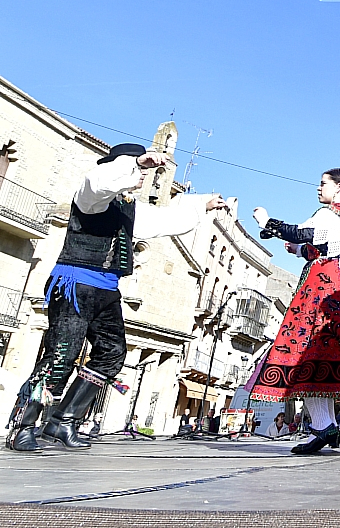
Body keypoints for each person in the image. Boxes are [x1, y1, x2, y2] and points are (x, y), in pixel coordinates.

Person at [5, 144, 224, 453]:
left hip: (107, 289)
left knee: (112, 354)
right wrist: (136, 163)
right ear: (119, 165)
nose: (142, 175)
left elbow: (166, 220)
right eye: (136, 168)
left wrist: (202, 204)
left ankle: (63, 421)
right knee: (61, 356)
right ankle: (23, 426)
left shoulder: (128, 207)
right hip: (74, 284)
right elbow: (99, 183)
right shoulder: (90, 196)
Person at [250, 167, 340, 455]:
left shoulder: (329, 214)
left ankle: (324, 426)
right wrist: (299, 251)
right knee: (322, 357)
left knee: (307, 351)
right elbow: (327, 246)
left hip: (323, 291)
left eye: (323, 183)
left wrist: (266, 221)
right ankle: (328, 426)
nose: (318, 188)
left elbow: (302, 233)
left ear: (338, 187)